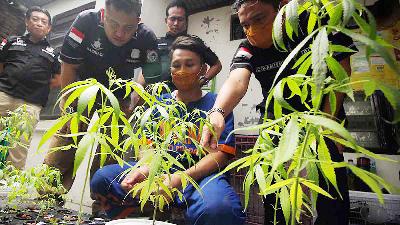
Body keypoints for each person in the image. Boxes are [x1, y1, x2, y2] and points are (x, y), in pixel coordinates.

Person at [200, 0, 357, 225]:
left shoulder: (314, 24)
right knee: (277, 208)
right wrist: (217, 112)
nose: (252, 30)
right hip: (277, 132)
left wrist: (327, 125)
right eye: (245, 25)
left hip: (323, 122)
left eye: (260, 18)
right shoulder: (249, 46)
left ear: (282, 7)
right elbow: (237, 79)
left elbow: (341, 71)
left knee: (330, 204)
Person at [90, 35, 246, 225]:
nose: (182, 71)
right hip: (159, 171)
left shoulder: (217, 104)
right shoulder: (160, 103)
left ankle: (189, 211)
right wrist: (147, 169)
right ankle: (142, 214)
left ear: (203, 69)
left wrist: (179, 178)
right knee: (103, 178)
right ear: (170, 70)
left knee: (221, 209)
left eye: (189, 65)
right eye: (176, 65)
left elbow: (220, 155)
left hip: (199, 176)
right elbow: (147, 146)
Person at [43, 0, 161, 215]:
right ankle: (47, 198)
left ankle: (102, 207)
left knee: (110, 149)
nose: (119, 33)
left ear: (138, 21)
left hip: (118, 97)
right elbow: (68, 66)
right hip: (82, 88)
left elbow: (152, 77)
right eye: (113, 24)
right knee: (66, 140)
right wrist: (69, 105)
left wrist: (135, 98)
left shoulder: (147, 37)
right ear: (103, 14)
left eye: (128, 28)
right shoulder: (85, 21)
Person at [0, 6, 60, 169]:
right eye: (35, 19)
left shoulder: (53, 53)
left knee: (19, 145)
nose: (39, 24)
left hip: (30, 103)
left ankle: (10, 187)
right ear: (27, 22)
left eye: (44, 22)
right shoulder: (12, 41)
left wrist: (37, 85)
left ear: (48, 28)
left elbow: (58, 78)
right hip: (3, 94)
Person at [158, 0, 222, 90]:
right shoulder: (156, 43)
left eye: (180, 19)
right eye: (173, 19)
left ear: (186, 21)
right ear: (166, 20)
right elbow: (146, 70)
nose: (176, 23)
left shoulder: (195, 42)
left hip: (188, 98)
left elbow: (217, 65)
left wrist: (202, 81)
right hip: (159, 97)